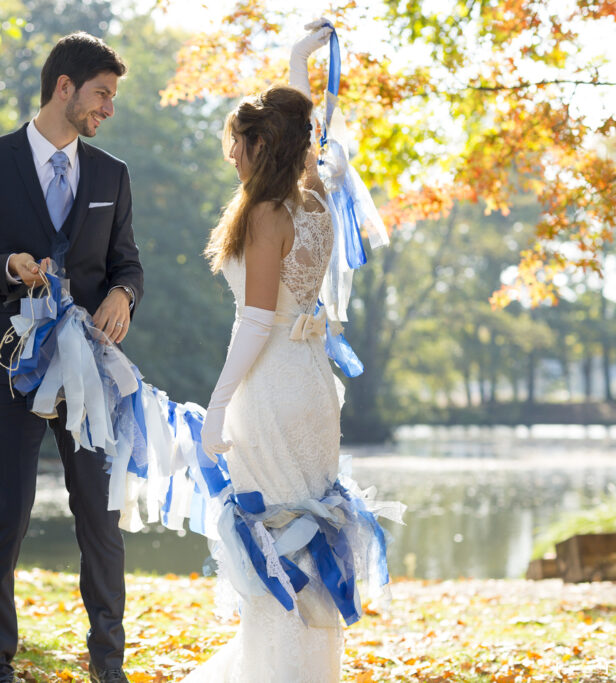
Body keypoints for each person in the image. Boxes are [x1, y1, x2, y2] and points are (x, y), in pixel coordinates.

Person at [0, 32, 143, 683]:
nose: (108, 107)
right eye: (102, 94)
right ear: (65, 87)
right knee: (5, 513)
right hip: (10, 367)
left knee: (98, 516)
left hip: (89, 372)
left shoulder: (112, 173)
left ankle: (107, 661)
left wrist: (122, 293)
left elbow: (129, 265)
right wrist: (6, 266)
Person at [187, 21, 353, 682]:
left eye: (237, 144)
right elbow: (303, 134)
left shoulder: (265, 215)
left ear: (259, 145)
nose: (232, 155)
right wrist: (294, 63)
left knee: (277, 544)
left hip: (271, 388)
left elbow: (254, 325)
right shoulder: (313, 199)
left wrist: (215, 407)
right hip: (313, 386)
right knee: (309, 542)